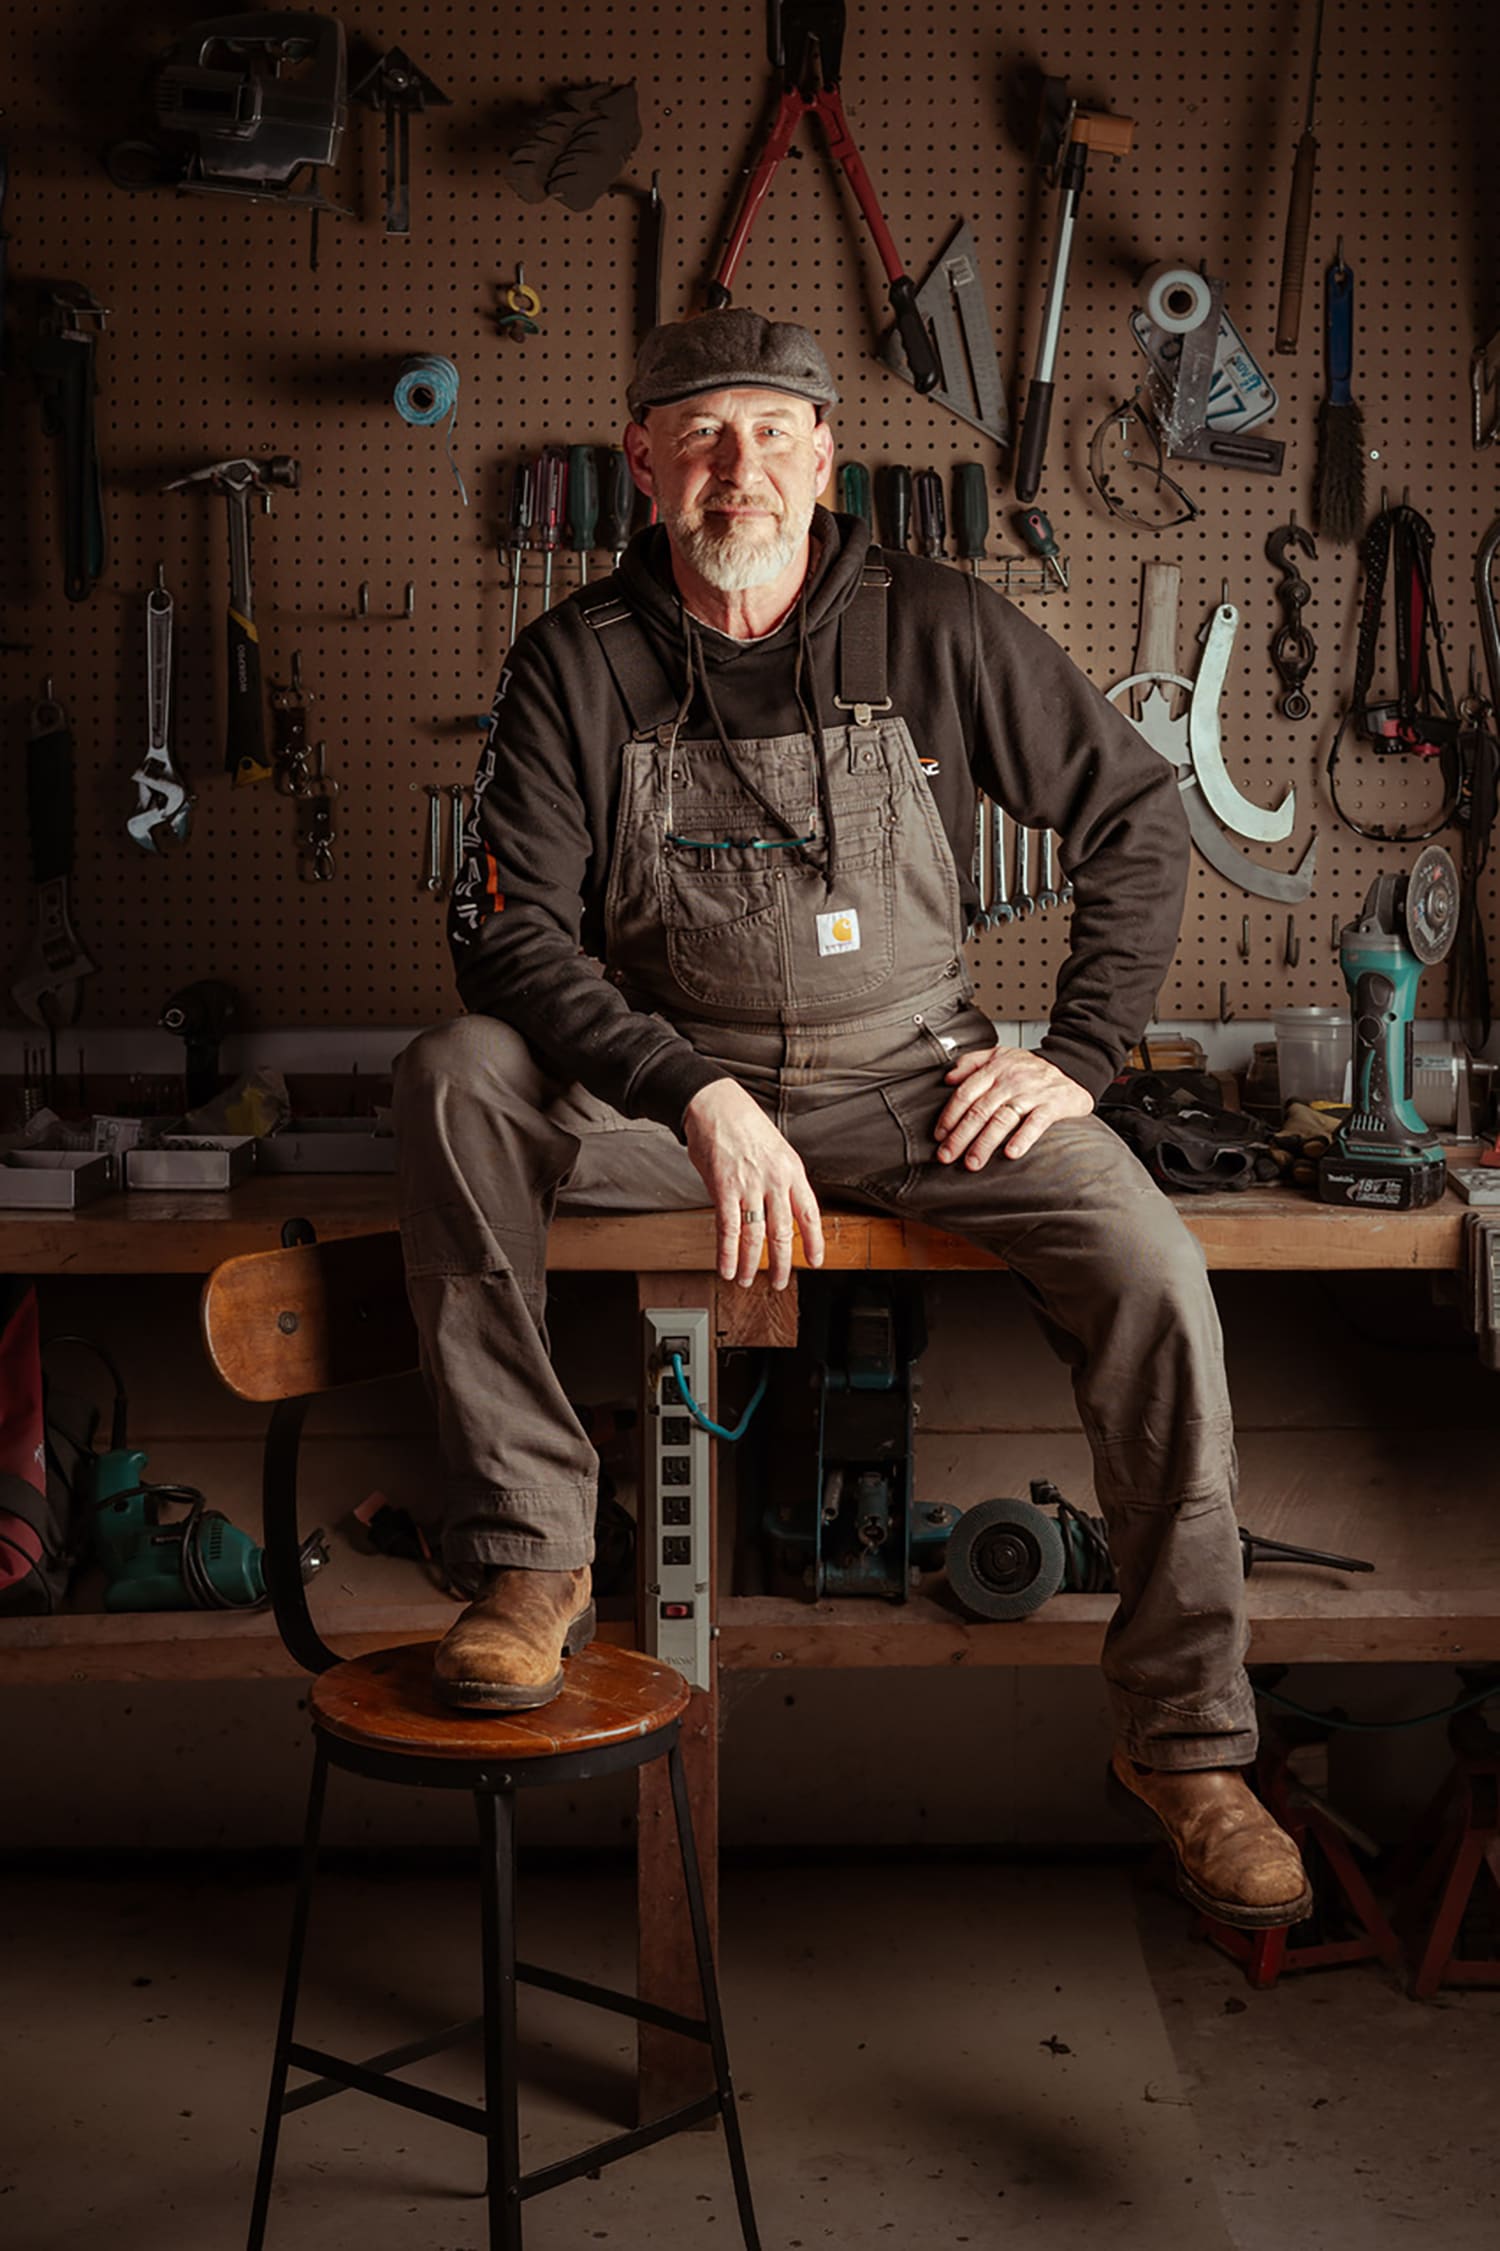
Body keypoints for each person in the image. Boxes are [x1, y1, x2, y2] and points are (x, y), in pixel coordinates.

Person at [393, 308, 1311, 1932]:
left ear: (824, 462)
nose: (736, 468)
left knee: (1157, 1279)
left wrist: (1080, 1058)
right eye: (701, 435)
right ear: (646, 467)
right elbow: (509, 936)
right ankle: (532, 1555)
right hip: (667, 1091)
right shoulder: (579, 661)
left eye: (770, 434)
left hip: (921, 1088)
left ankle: (1187, 1743)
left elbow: (1138, 822)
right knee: (456, 1073)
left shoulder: (937, 624)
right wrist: (693, 1092)